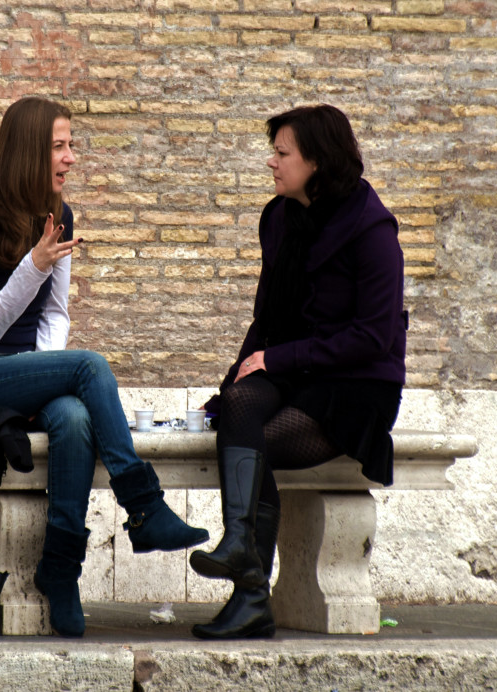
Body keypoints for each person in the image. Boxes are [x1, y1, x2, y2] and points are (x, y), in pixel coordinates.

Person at [0, 96, 209, 638]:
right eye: (59, 147)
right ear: (28, 153)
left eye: (70, 146)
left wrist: (45, 368)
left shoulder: (59, 216)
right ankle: (144, 505)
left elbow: (56, 314)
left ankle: (60, 569)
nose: (70, 158)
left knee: (74, 418)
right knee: (89, 368)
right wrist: (34, 264)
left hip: (31, 370)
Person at [189, 104, 407, 640]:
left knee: (253, 439)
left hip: (354, 385)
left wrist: (280, 360)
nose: (271, 162)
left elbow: (374, 336)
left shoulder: (371, 227)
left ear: (317, 160)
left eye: (282, 153)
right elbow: (268, 319)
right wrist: (227, 388)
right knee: (240, 410)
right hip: (293, 368)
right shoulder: (279, 217)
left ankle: (249, 592)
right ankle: (243, 556)